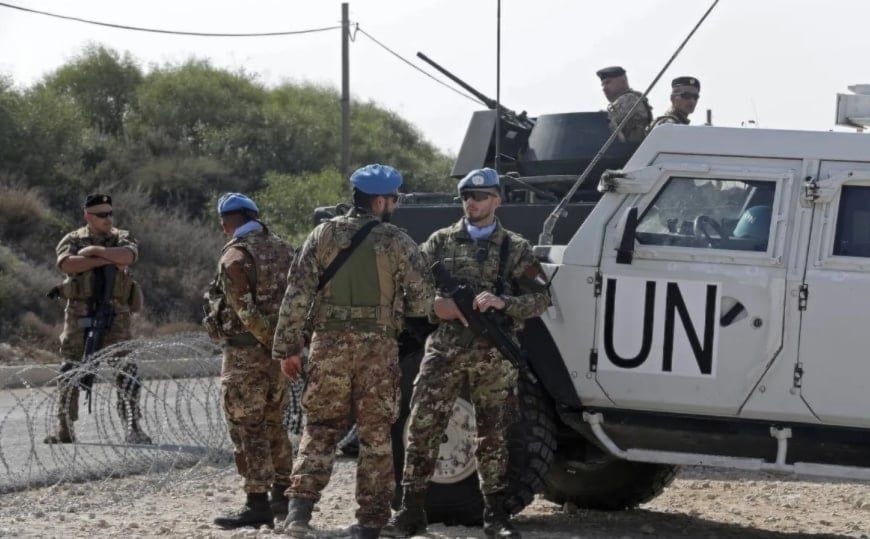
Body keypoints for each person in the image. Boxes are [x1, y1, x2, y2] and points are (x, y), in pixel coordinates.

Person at [384, 168, 551, 539]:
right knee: (422, 428)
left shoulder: (516, 248)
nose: (472, 203)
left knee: (494, 434)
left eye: (480, 196)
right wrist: (436, 306)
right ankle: (411, 511)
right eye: (466, 197)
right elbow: (408, 290)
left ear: (497, 201)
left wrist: (503, 302)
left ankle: (495, 515)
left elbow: (542, 298)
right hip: (444, 349)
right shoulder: (439, 243)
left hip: (493, 354)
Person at [272, 164, 434, 539]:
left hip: (327, 343)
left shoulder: (321, 234)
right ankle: (371, 523)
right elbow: (423, 300)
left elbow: (296, 295)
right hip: (377, 347)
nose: (394, 205)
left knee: (321, 426)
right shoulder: (396, 240)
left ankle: (298, 514)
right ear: (380, 201)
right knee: (376, 433)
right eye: (393, 199)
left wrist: (288, 348)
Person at [204, 193, 297, 530]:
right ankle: (283, 498)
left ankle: (256, 502)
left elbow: (244, 311)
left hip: (246, 355)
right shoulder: (285, 249)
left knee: (248, 427)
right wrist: (286, 346)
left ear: (228, 222)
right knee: (275, 423)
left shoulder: (235, 255)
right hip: (280, 356)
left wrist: (270, 341)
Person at [45, 193, 151, 445]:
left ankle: (133, 426)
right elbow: (67, 264)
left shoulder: (122, 237)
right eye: (101, 214)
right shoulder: (72, 239)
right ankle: (65, 428)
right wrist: (106, 260)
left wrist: (95, 252)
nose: (108, 218)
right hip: (80, 313)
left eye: (110, 213)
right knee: (70, 369)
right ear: (87, 216)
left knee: (127, 371)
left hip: (116, 315)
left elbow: (128, 256)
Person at [597, 65, 652, 144]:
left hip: (632, 150)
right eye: (603, 85)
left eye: (608, 82)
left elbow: (608, 122)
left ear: (623, 81)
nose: (604, 88)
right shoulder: (630, 98)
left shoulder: (629, 98)